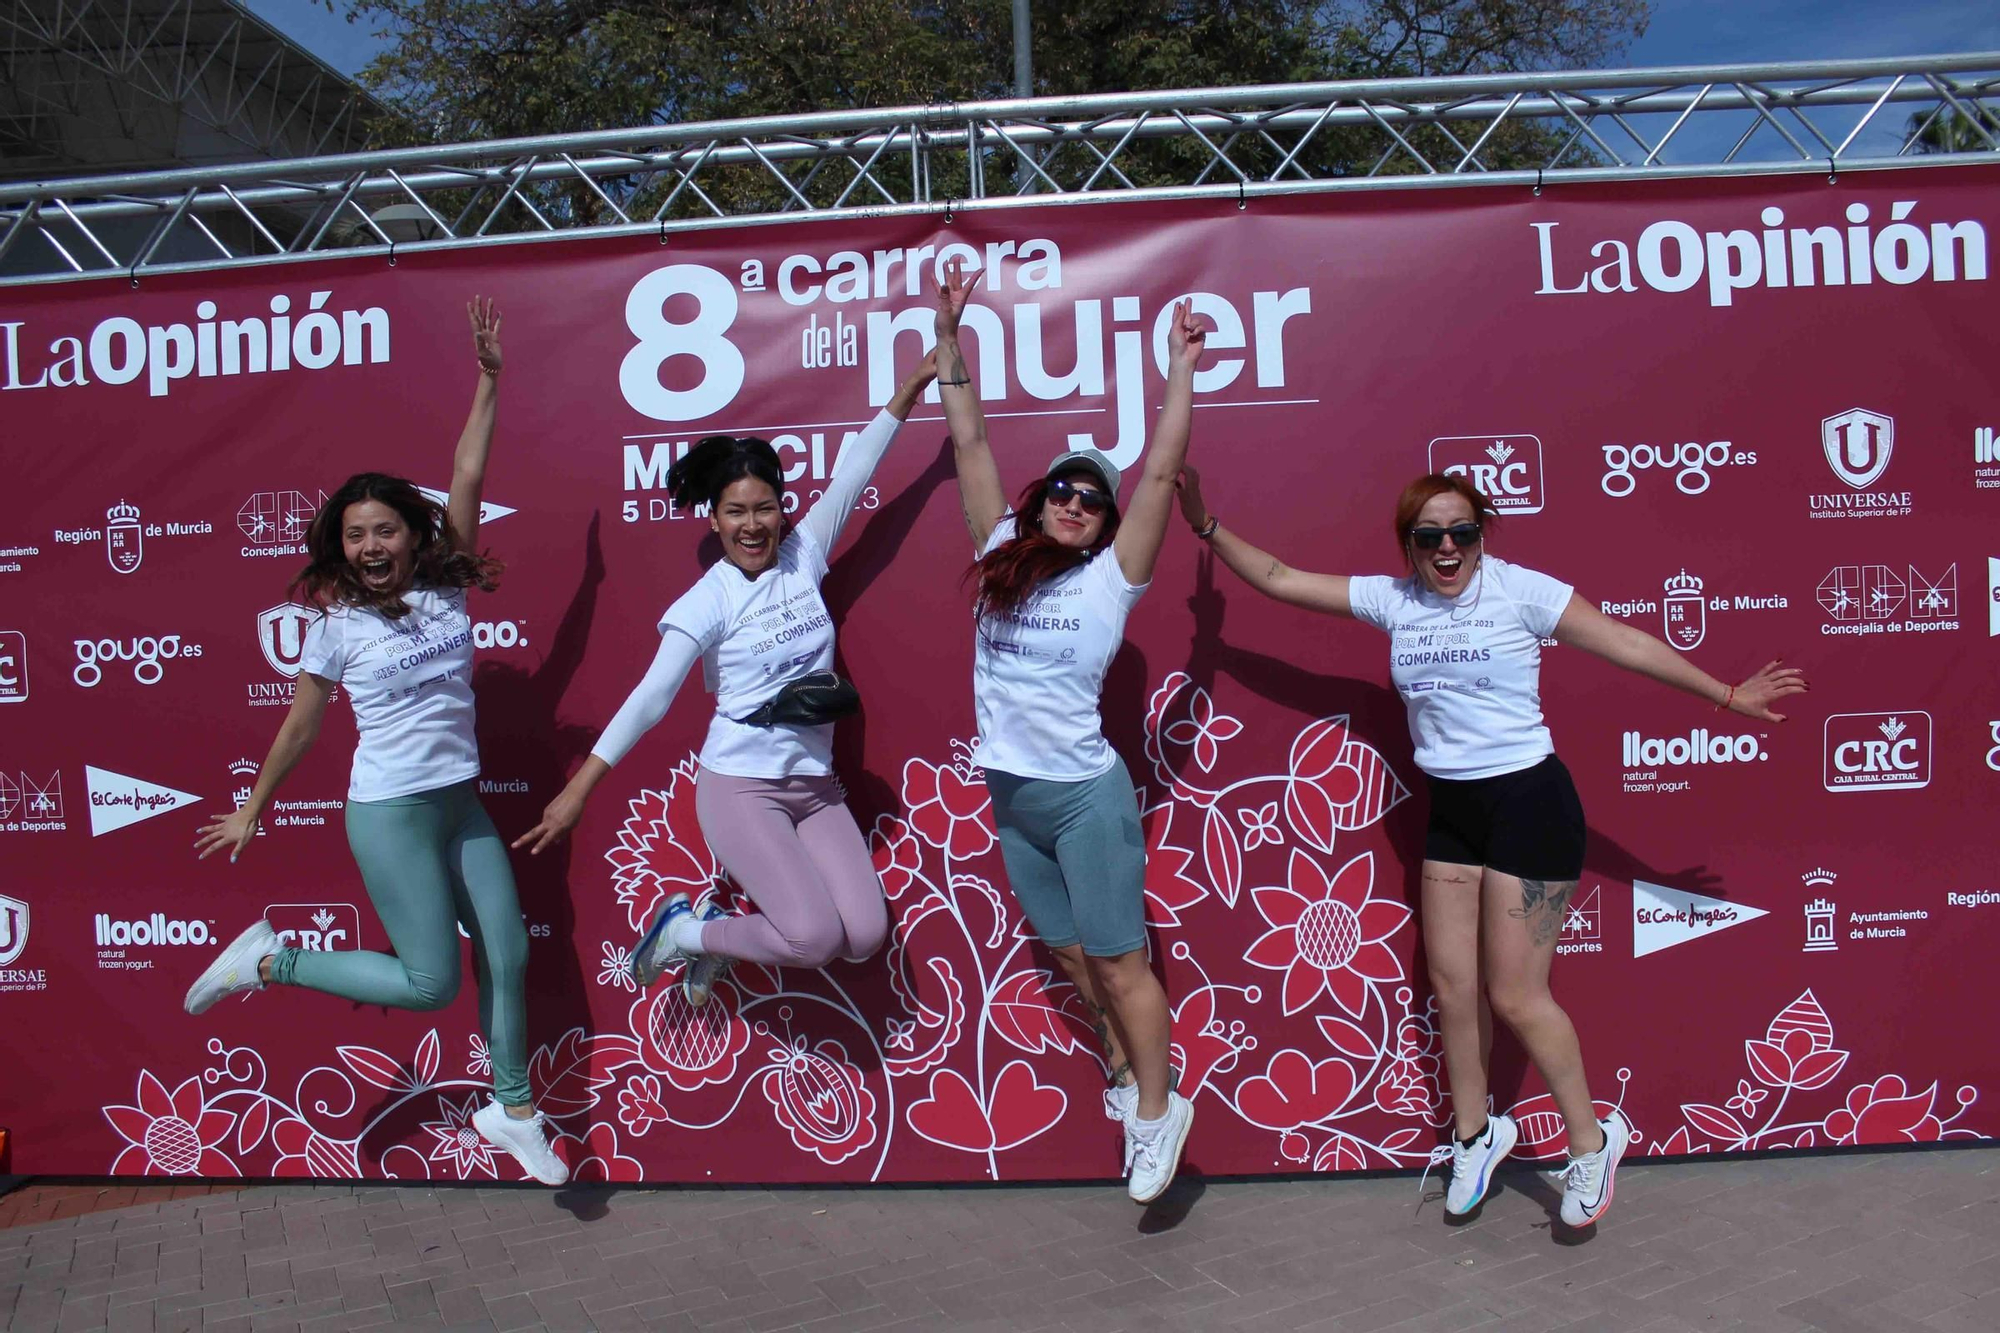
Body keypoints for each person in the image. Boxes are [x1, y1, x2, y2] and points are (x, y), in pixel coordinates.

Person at [1172, 466, 1806, 1226]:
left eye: (1461, 532)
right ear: (1409, 543)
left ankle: (1592, 1143)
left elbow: (1626, 643)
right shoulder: (1395, 599)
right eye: (1429, 535)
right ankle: (1476, 1136)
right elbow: (1279, 577)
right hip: (1455, 813)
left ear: (1483, 533)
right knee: (1450, 986)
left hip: (1530, 806)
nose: (1446, 548)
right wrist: (1206, 525)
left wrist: (1729, 696)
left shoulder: (1521, 592)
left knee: (1515, 994)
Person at [185, 300, 568, 1185]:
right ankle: (269, 961)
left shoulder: (446, 586)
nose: (368, 547)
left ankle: (511, 1107)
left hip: (459, 802)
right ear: (342, 547)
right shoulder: (336, 624)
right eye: (354, 536)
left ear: (411, 532)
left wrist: (489, 379)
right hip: (390, 813)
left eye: (383, 530)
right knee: (433, 982)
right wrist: (252, 807)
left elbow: (466, 473)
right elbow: (302, 722)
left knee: (508, 951)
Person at [513, 352, 939, 1006]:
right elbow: (651, 698)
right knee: (814, 936)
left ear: (781, 509)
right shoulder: (705, 601)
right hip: (741, 786)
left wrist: (911, 388)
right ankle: (689, 933)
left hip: (815, 785)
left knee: (865, 934)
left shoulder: (803, 554)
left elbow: (858, 469)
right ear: (714, 520)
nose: (751, 525)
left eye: (763, 508)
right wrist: (578, 791)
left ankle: (712, 934)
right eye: (735, 512)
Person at [933, 258, 1206, 1204]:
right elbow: (970, 444)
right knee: (1070, 954)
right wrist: (950, 343)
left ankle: (1159, 1112)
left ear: (1105, 524)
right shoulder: (998, 557)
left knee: (1122, 961)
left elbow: (1163, 471)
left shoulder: (1108, 580)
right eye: (1063, 489)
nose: (1074, 502)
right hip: (1012, 799)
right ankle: (1132, 1074)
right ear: (1041, 497)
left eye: (1092, 499)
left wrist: (1179, 375)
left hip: (1086, 801)